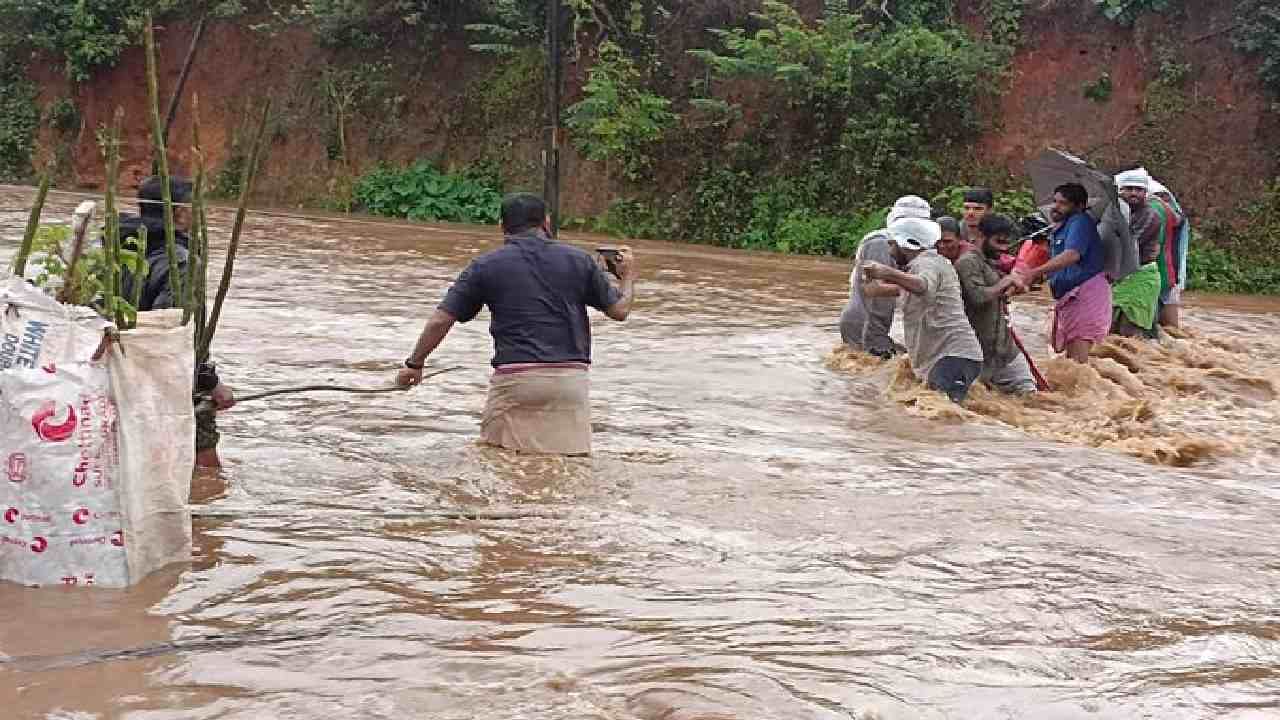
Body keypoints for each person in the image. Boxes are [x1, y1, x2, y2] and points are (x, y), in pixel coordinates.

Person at [394, 193, 636, 456]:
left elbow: (442, 319)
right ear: (546, 222)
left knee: (498, 460)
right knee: (572, 463)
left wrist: (414, 364)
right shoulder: (579, 260)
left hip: (517, 380)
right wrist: (627, 277)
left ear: (502, 227)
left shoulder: (485, 266)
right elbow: (620, 311)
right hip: (570, 381)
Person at [116, 176, 235, 468]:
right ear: (180, 211)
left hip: (120, 374)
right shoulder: (179, 261)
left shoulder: (118, 248)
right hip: (169, 382)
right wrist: (210, 382)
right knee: (205, 469)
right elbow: (171, 337)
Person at [862, 217, 985, 404]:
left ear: (907, 244)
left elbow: (922, 286)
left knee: (937, 415)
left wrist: (886, 272)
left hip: (954, 355)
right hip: (950, 357)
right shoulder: (922, 268)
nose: (890, 251)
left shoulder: (928, 263)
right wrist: (868, 280)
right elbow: (878, 291)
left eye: (892, 244)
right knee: (933, 414)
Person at [1013, 183, 1111, 364]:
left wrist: (1035, 272)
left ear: (1080, 206)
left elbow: (1072, 255)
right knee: (1069, 362)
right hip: (1070, 295)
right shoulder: (1061, 227)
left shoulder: (1080, 222)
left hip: (1085, 294)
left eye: (1063, 203)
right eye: (1055, 201)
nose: (1056, 207)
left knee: (1077, 363)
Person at [838, 195, 932, 359]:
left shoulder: (907, 244)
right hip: (866, 323)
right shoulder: (880, 243)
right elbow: (875, 293)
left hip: (877, 324)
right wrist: (923, 287)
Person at [953, 214, 1038, 394]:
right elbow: (978, 296)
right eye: (998, 242)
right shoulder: (968, 262)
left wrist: (1012, 287)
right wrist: (1006, 282)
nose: (1004, 248)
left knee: (1031, 395)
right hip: (977, 351)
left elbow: (999, 290)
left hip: (1005, 350)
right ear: (981, 236)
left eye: (1007, 243)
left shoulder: (992, 261)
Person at [1110, 169, 1164, 337]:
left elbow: (1129, 243)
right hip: (1120, 277)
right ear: (1121, 191)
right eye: (1129, 188)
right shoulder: (1117, 213)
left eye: (1139, 190)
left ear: (1145, 193)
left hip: (1141, 277)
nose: (1134, 193)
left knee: (1131, 332)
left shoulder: (1150, 216)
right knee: (1110, 329)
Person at [1149, 175, 1189, 329]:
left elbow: (1153, 247)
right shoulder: (1172, 212)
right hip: (1171, 275)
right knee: (1171, 329)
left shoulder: (1155, 210)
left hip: (1157, 274)